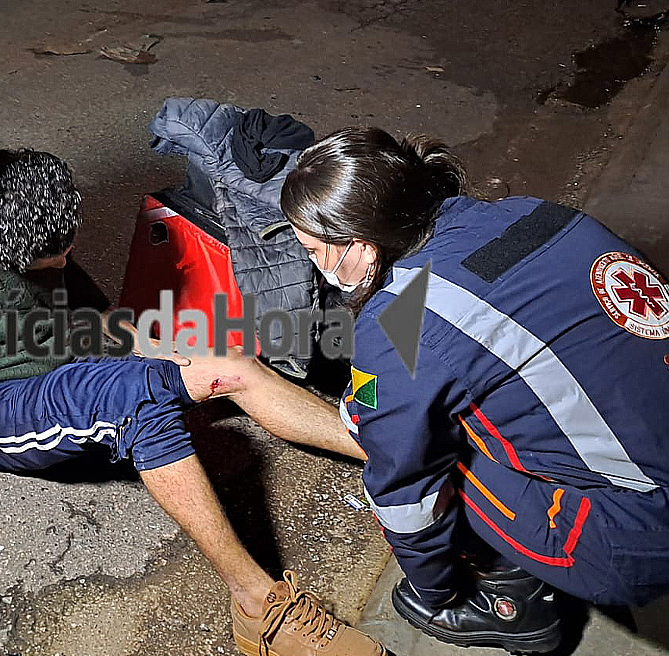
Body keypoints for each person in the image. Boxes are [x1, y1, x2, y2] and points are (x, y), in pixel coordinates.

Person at [0, 149, 387, 656]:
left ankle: (394, 453)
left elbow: (97, 316)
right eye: (53, 256)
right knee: (139, 401)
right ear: (5, 244)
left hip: (73, 361)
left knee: (231, 364)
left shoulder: (30, 218)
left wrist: (168, 351)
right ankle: (255, 604)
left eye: (68, 247)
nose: (65, 260)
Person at [223, 126, 669, 653]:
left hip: (638, 536)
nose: (315, 266)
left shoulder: (404, 324)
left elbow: (403, 490)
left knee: (423, 447)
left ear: (360, 248)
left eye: (314, 250)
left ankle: (513, 605)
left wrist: (438, 592)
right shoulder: (535, 213)